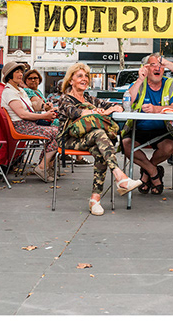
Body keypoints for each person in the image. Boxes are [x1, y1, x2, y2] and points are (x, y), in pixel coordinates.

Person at [53, 63, 143, 214]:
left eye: (86, 76)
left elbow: (117, 106)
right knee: (100, 135)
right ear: (71, 80)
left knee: (100, 149)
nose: (85, 79)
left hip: (91, 139)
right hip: (68, 139)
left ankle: (95, 199)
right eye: (80, 76)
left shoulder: (89, 98)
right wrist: (97, 111)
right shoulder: (64, 99)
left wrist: (109, 108)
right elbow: (77, 114)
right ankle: (119, 177)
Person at [120, 51, 173, 193]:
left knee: (169, 147)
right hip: (139, 128)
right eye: (153, 65)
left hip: (163, 129)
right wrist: (139, 80)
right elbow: (126, 102)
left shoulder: (172, 84)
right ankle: (154, 173)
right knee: (126, 145)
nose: (158, 68)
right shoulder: (139, 83)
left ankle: (145, 173)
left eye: (161, 65)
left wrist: (156, 109)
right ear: (145, 68)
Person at [0, 65, 60, 173]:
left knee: (59, 131)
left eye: (21, 72)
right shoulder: (9, 92)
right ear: (9, 75)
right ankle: (43, 166)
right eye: (17, 72)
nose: (20, 74)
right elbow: (22, 114)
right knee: (59, 133)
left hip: (30, 124)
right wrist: (44, 116)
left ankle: (45, 164)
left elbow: (31, 107)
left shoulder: (20, 91)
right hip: (21, 126)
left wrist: (44, 108)